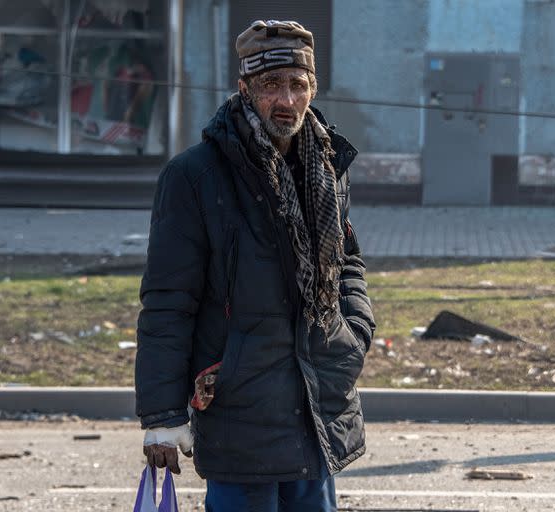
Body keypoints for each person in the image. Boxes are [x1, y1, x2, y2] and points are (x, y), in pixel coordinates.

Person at [134, 19, 375, 512]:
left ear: (313, 88)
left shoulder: (326, 167)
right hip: (238, 412)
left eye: (297, 84)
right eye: (271, 85)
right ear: (244, 88)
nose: (286, 99)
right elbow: (167, 301)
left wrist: (355, 329)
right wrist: (161, 413)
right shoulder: (195, 176)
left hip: (315, 407)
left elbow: (347, 258)